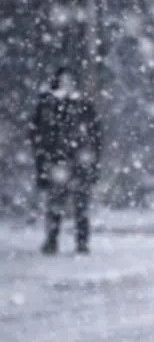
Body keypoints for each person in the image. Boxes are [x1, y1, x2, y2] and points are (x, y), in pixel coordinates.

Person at [29, 67, 103, 255]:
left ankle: (81, 242)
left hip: (79, 160)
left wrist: (90, 158)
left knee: (80, 203)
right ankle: (52, 240)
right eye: (63, 81)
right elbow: (38, 133)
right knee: (56, 202)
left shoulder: (83, 105)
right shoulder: (48, 105)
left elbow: (96, 134)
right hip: (58, 160)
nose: (67, 85)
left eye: (70, 80)